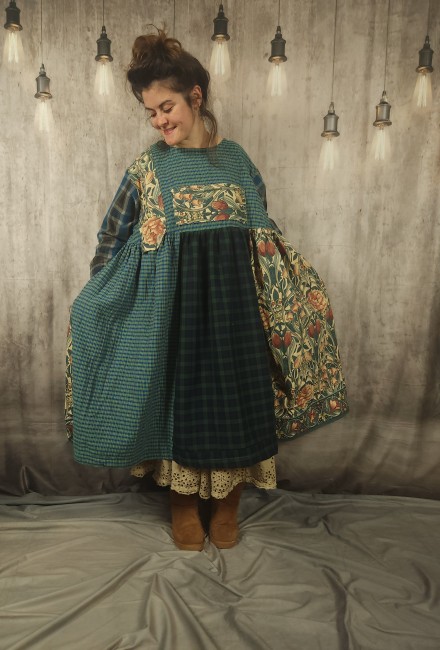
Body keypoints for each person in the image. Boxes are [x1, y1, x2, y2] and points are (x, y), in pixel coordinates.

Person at [65, 28, 348, 551]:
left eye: (166, 107)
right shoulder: (148, 169)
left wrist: (291, 294)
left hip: (235, 310)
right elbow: (112, 236)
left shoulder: (238, 162)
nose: (159, 120)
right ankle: (181, 504)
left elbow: (263, 236)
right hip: (175, 313)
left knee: (237, 401)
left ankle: (228, 504)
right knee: (180, 403)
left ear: (195, 97)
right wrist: (106, 297)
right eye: (151, 113)